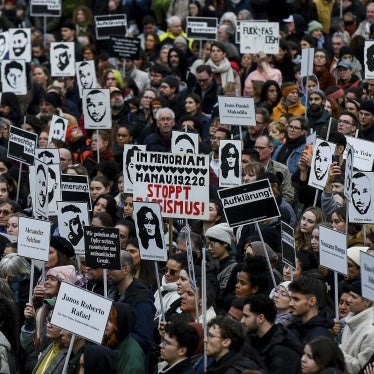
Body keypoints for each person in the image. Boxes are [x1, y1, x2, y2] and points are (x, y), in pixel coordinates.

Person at [107, 250, 155, 360]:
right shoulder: (112, 293)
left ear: (126, 270)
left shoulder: (141, 299)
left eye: (111, 268)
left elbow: (144, 339)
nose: (107, 272)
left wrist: (115, 336)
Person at [241, 294, 303, 374]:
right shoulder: (252, 340)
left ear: (260, 318)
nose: (242, 321)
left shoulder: (283, 350)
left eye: (246, 316)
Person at [339, 280, 374, 373]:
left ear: (366, 302)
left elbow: (360, 367)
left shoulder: (371, 331)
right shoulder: (351, 321)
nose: (348, 300)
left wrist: (337, 352)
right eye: (350, 295)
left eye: (354, 297)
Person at [288, 277, 334, 342]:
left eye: (296, 299)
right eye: (291, 299)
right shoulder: (293, 328)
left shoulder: (321, 337)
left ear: (312, 301)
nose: (290, 304)